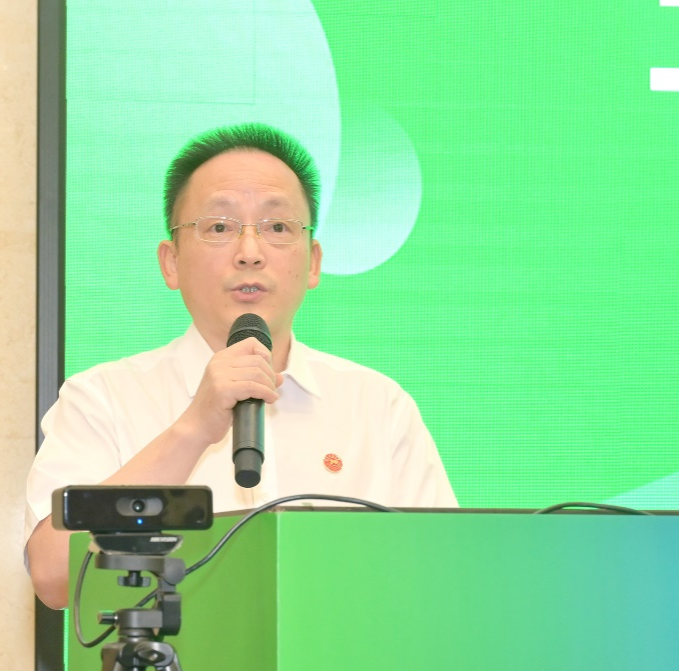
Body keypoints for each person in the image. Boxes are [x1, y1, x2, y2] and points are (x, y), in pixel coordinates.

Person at [25, 123, 457, 608]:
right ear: (171, 262)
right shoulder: (102, 397)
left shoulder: (377, 407)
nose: (250, 254)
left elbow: (443, 579)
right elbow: (52, 575)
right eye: (219, 227)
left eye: (277, 228)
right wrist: (193, 429)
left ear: (313, 262)